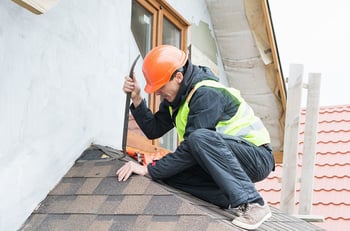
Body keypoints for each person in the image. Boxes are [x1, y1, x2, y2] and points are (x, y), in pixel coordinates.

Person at [116, 45, 275, 230]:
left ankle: (254, 203)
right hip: (223, 159)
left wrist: (149, 169)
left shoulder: (206, 93)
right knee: (170, 175)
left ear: (178, 77)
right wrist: (136, 97)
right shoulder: (175, 99)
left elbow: (194, 145)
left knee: (197, 139)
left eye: (160, 87)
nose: (157, 93)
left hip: (256, 157)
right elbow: (153, 130)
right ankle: (225, 196)